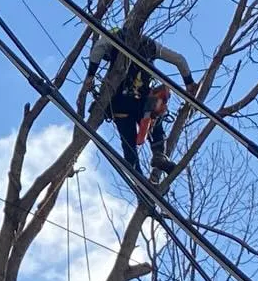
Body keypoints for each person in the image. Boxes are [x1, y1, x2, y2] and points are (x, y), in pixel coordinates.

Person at [84, 25, 196, 179]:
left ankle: (138, 177)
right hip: (143, 103)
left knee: (129, 146)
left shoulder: (114, 37)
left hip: (119, 104)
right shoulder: (151, 45)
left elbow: (98, 48)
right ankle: (159, 154)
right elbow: (179, 59)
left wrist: (90, 75)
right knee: (155, 115)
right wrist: (189, 83)